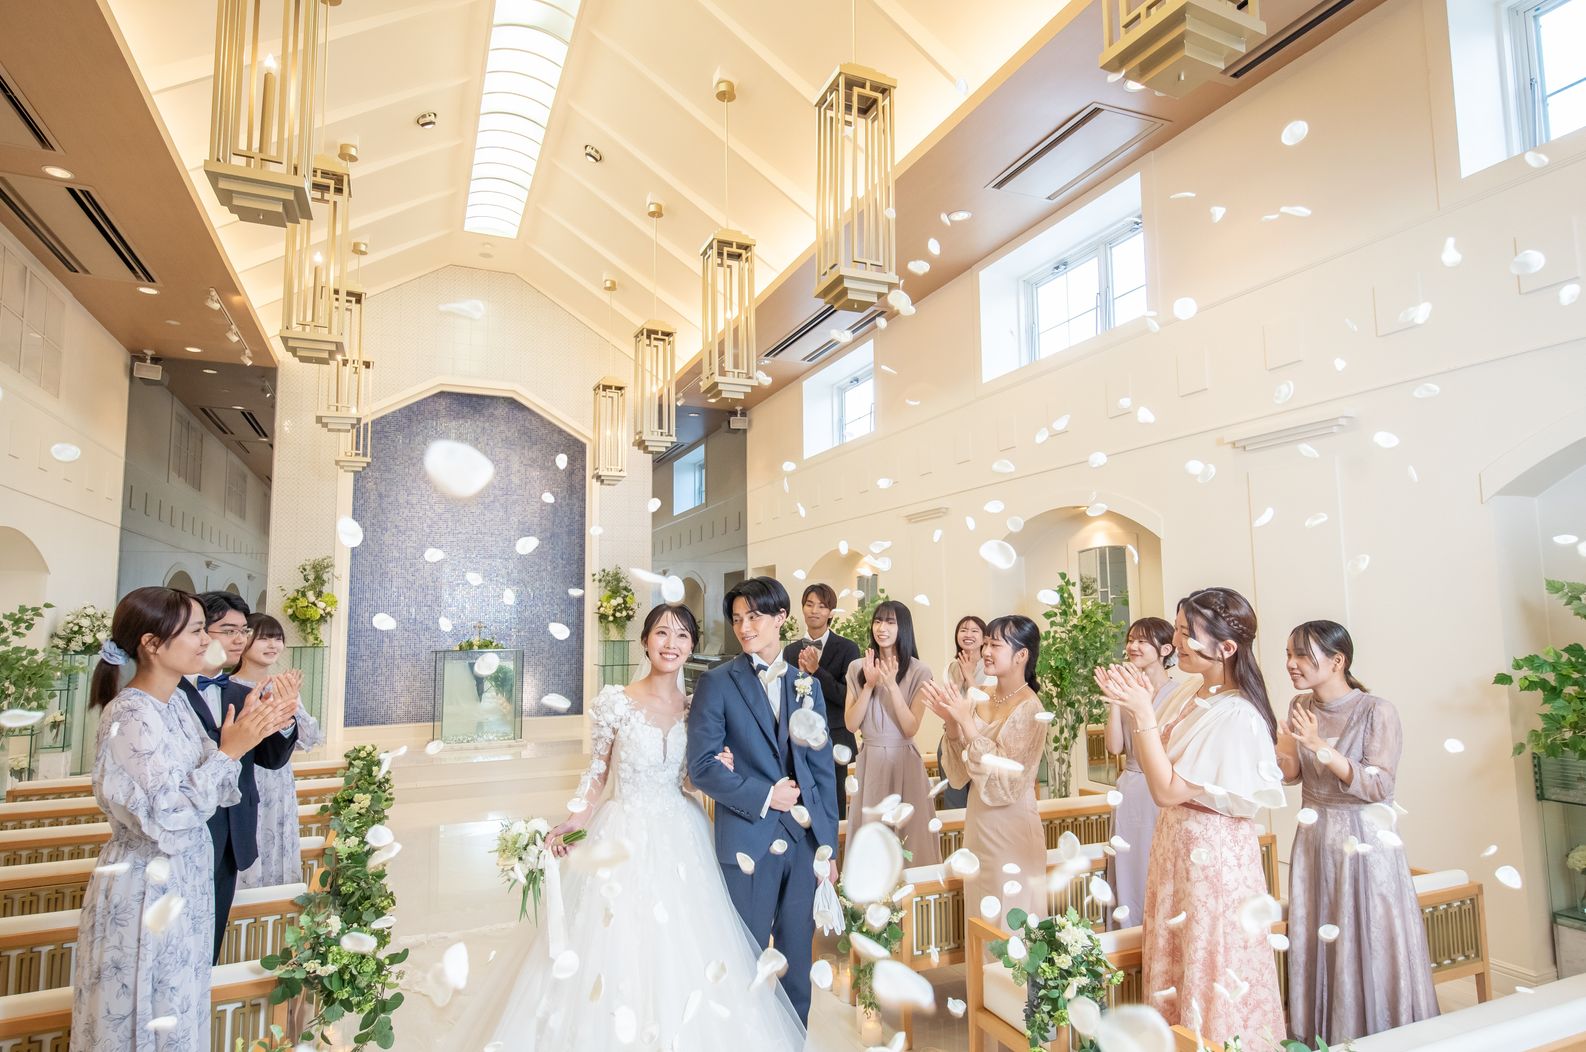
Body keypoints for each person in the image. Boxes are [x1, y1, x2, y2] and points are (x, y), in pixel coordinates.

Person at [481, 604, 806, 1050]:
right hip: (624, 830)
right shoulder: (615, 702)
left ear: (692, 647)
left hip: (682, 832)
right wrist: (576, 819)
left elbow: (691, 780)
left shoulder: (697, 707)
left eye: (682, 636)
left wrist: (718, 768)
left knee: (686, 946)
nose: (671, 644)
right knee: (617, 940)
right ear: (645, 641)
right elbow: (597, 772)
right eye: (662, 634)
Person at [69, 587, 293, 1052]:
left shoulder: (173, 704)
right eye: (195, 631)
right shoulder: (131, 714)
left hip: (188, 876)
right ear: (152, 643)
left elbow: (215, 780)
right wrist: (231, 749)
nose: (206, 641)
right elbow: (166, 813)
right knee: (146, 1009)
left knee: (181, 1001)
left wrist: (247, 732)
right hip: (150, 882)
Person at [1095, 587, 1287, 1051]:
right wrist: (1137, 705)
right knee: (1174, 955)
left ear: (1227, 647)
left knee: (1210, 959)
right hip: (1176, 841)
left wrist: (1142, 711)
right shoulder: (1188, 691)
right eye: (1178, 630)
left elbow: (1166, 789)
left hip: (1211, 853)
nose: (1177, 641)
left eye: (1187, 633)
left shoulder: (1237, 714)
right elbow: (1150, 760)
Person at [1277, 620, 1438, 1044]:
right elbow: (1292, 775)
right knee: (1320, 937)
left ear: (1337, 661)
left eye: (1301, 655)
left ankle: (1377, 1036)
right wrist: (1282, 749)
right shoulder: (1299, 705)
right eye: (1289, 655)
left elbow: (1379, 785)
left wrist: (1320, 748)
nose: (1291, 664)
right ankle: (1321, 1037)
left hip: (1364, 841)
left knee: (1367, 936)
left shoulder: (1377, 711)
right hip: (1314, 837)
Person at [688, 577, 839, 1024]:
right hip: (747, 841)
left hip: (804, 843)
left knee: (797, 968)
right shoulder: (717, 683)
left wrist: (828, 846)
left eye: (754, 616)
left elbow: (822, 772)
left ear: (780, 618)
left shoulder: (807, 685)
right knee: (744, 963)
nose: (744, 627)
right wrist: (766, 796)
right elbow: (702, 766)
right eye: (737, 619)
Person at [180, 591, 299, 960]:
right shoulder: (170, 693)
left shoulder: (238, 692)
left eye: (244, 631)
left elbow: (271, 758)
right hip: (186, 834)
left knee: (211, 941)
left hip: (232, 835)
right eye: (228, 630)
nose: (239, 639)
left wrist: (283, 716)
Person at [922, 614, 1048, 926]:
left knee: (1011, 917)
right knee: (980, 911)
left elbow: (1006, 783)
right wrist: (952, 722)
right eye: (986, 644)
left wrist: (966, 722)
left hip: (1012, 825)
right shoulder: (980, 693)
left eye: (995, 645)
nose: (986, 651)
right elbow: (959, 773)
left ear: (1021, 655)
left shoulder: (1031, 707)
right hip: (978, 819)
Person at [843, 599, 941, 864]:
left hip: (904, 760)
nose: (881, 628)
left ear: (903, 627)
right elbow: (851, 724)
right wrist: (869, 685)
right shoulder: (857, 667)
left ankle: (914, 891)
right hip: (871, 761)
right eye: (877, 621)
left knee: (911, 837)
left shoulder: (920, 671)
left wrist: (892, 686)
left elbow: (910, 727)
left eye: (889, 622)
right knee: (871, 837)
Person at [233, 613, 322, 890]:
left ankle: (276, 904)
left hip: (279, 779)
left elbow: (309, 739)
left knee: (277, 839)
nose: (272, 645)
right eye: (263, 638)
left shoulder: (282, 686)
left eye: (277, 638)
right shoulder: (228, 687)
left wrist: (291, 702)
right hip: (246, 778)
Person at [1105, 616, 1178, 923]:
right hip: (1130, 788)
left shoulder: (1179, 694)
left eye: (1143, 641)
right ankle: (1128, 931)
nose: (1133, 646)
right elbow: (1114, 747)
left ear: (1165, 649)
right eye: (1131, 640)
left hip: (1162, 788)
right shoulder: (1127, 692)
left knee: (1158, 862)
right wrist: (1114, 700)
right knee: (1127, 864)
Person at [783, 583, 861, 820]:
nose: (814, 610)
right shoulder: (789, 651)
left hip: (835, 738)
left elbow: (847, 697)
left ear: (831, 612)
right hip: (799, 740)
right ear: (803, 608)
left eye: (822, 606)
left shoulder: (848, 648)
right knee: (800, 806)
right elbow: (786, 698)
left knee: (834, 805)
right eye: (809, 604)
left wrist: (817, 671)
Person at [935, 615, 986, 811]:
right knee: (954, 801)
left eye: (974, 631)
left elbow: (983, 707)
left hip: (979, 740)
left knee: (979, 801)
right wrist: (961, 676)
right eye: (963, 630)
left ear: (984, 638)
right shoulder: (951, 667)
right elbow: (948, 702)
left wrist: (969, 675)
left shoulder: (990, 666)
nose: (968, 634)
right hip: (953, 738)